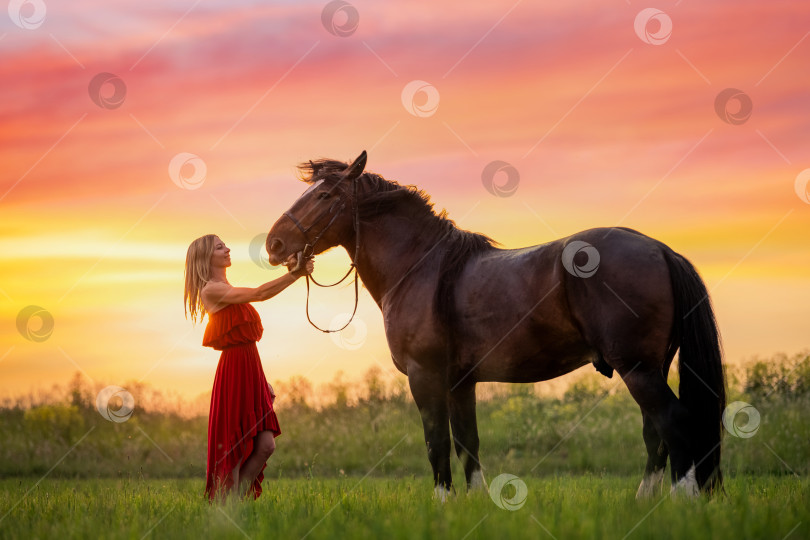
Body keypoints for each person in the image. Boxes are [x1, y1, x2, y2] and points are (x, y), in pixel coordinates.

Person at [183, 234, 313, 501]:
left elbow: (248, 332)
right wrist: (296, 275)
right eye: (220, 247)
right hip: (233, 372)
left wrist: (292, 267)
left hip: (250, 367)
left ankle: (233, 504)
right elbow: (260, 293)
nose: (227, 249)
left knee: (266, 445)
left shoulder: (226, 287)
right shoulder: (211, 289)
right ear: (207, 257)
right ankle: (227, 509)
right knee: (236, 446)